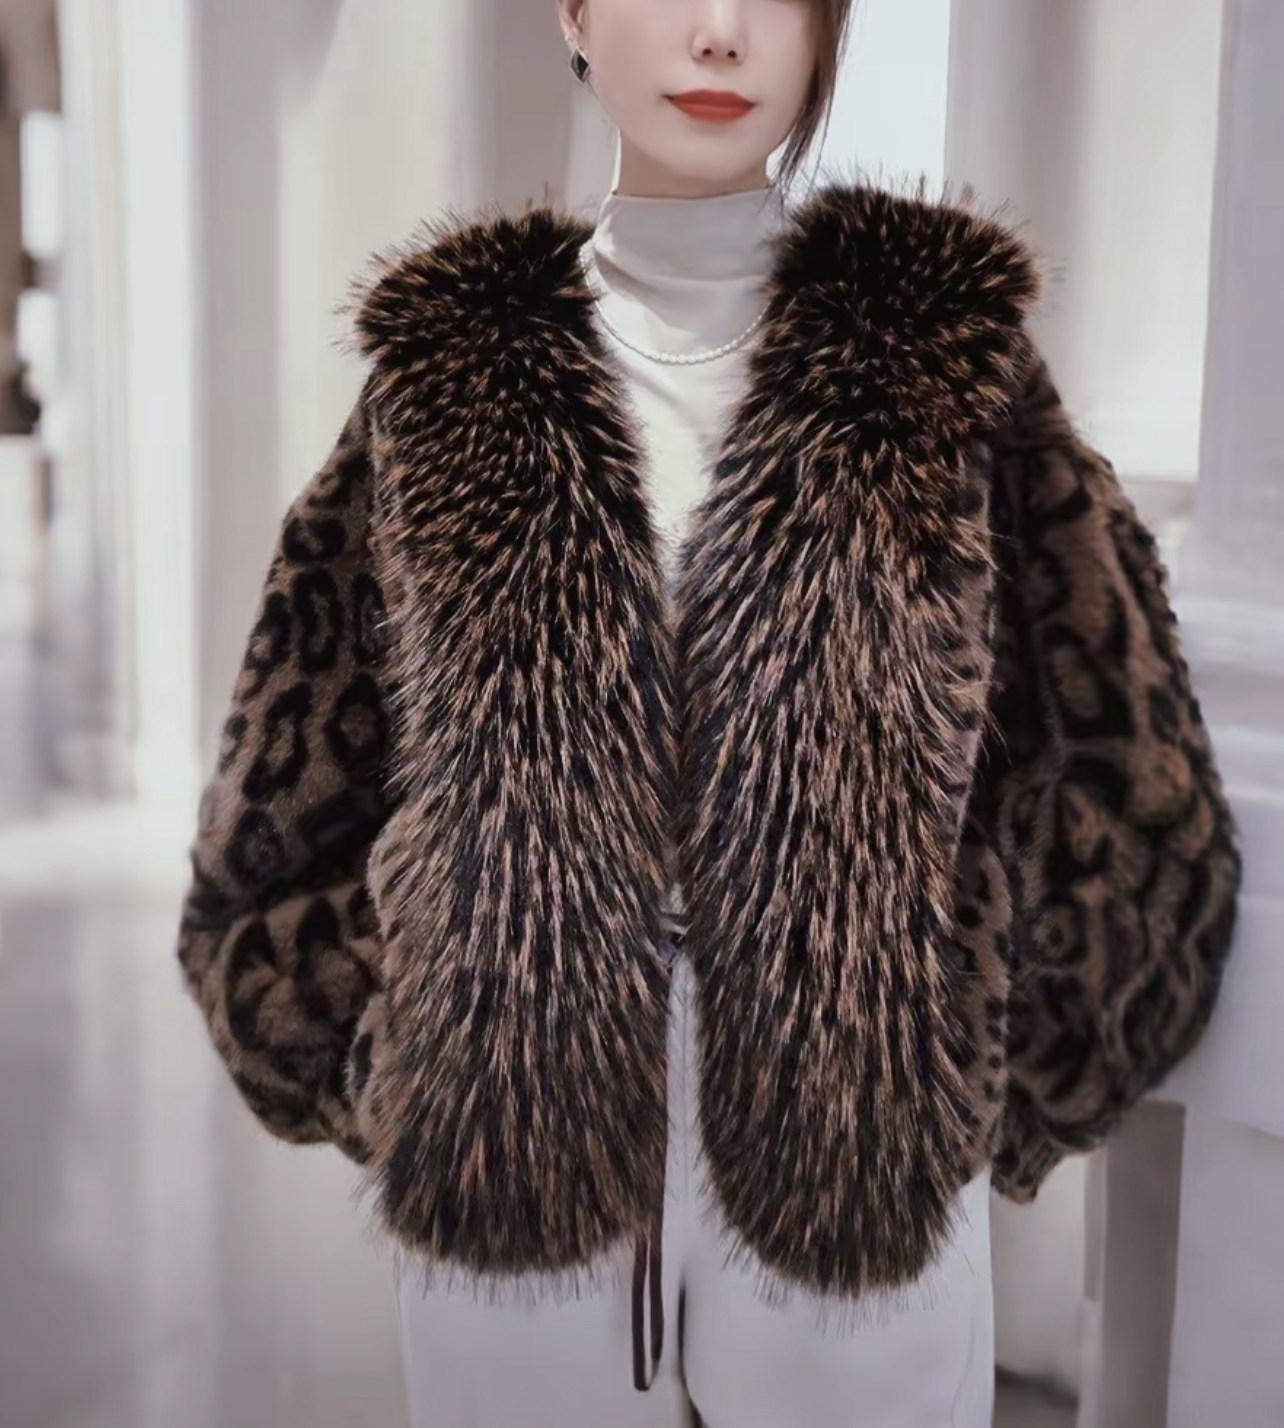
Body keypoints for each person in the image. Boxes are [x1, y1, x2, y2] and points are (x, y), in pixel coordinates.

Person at [174, 1, 1242, 1423]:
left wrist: (982, 1042)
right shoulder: (448, 380)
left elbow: (1130, 775)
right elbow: (281, 806)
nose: (722, 33)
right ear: (575, 12)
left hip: (859, 1146)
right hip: (517, 1146)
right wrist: (411, 1039)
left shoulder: (939, 362)